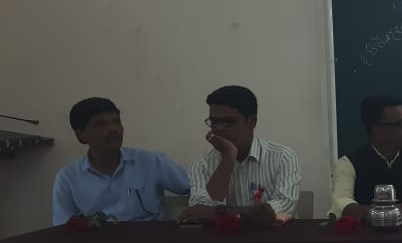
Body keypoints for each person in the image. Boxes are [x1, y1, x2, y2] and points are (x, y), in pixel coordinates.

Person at [51, 97, 189, 225]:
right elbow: (63, 227)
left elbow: (194, 187)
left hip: (151, 239)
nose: (113, 129)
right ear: (81, 134)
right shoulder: (68, 177)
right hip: (98, 242)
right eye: (101, 124)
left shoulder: (151, 162)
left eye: (116, 122)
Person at [179, 85, 300, 224]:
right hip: (221, 236)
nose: (218, 129)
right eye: (214, 122)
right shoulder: (201, 164)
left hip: (272, 236)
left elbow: (285, 206)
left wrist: (221, 214)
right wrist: (228, 156)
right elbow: (200, 210)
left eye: (227, 122)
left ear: (252, 121)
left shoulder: (283, 156)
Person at [329, 95, 402, 225]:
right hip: (364, 237)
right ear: (377, 131)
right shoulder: (348, 164)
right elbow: (341, 201)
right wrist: (373, 214)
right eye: (400, 124)